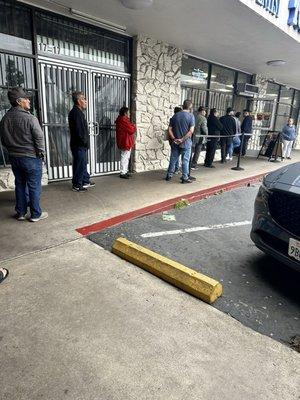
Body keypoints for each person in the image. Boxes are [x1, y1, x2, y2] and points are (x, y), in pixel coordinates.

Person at [0, 87, 48, 222]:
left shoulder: (5, 119)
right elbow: (39, 137)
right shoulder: (30, 118)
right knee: (34, 186)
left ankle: (20, 213)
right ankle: (35, 214)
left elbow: (3, 140)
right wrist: (41, 152)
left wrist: (12, 149)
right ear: (19, 101)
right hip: (31, 157)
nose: (29, 101)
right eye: (26, 99)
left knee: (20, 184)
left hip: (15, 158)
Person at [68, 91, 95, 192]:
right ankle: (77, 184)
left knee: (82, 163)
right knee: (79, 164)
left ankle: (85, 180)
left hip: (80, 145)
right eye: (84, 99)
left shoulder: (78, 112)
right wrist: (84, 142)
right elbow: (79, 131)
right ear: (79, 101)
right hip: (78, 144)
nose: (86, 101)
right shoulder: (76, 113)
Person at [166, 99, 195, 183]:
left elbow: (169, 129)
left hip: (175, 142)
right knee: (185, 160)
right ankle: (184, 177)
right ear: (190, 107)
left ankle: (169, 175)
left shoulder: (175, 116)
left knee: (173, 159)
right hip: (186, 143)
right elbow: (191, 131)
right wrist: (182, 139)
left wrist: (174, 138)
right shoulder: (191, 116)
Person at [115, 106, 136, 179]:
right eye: (128, 112)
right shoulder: (123, 120)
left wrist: (132, 126)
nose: (129, 114)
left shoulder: (123, 120)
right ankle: (123, 172)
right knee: (124, 156)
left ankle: (125, 171)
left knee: (126, 156)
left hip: (125, 140)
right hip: (125, 141)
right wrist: (133, 126)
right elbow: (131, 130)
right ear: (125, 113)